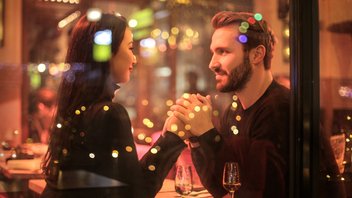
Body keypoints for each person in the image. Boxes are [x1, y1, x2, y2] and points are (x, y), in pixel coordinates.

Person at [41, 13, 185, 198]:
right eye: (130, 48)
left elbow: (127, 183)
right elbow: (136, 193)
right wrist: (173, 138)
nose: (134, 59)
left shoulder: (77, 109)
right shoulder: (109, 114)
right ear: (107, 53)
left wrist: (168, 137)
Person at [168, 11, 290, 197]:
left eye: (223, 51)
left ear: (257, 55)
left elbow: (254, 192)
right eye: (213, 53)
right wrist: (196, 138)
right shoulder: (234, 111)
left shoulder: (279, 108)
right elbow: (221, 188)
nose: (212, 64)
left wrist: (207, 133)